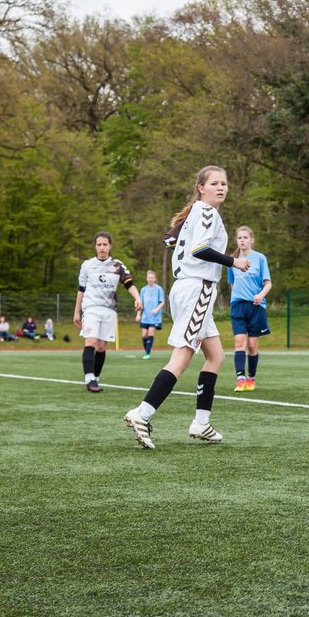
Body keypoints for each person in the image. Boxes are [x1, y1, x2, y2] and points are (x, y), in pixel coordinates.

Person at [124, 166, 251, 450]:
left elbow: (171, 241)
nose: (221, 187)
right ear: (201, 188)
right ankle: (141, 413)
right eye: (215, 183)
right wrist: (234, 262)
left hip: (187, 288)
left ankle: (201, 423)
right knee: (181, 358)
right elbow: (198, 250)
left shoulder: (196, 212)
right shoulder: (206, 212)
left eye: (225, 183)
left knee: (216, 356)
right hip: (197, 289)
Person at [73, 232, 143, 393]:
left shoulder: (118, 265)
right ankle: (89, 378)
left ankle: (95, 378)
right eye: (99, 244)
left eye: (105, 244)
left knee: (102, 347)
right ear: (95, 246)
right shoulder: (87, 265)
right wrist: (77, 312)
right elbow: (81, 290)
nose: (102, 247)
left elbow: (129, 284)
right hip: (91, 308)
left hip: (109, 310)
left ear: (110, 246)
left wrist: (138, 297)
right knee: (90, 342)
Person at [228, 226, 272, 392]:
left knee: (252, 346)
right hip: (238, 307)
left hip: (256, 306)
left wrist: (260, 295)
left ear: (251, 240)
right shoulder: (232, 261)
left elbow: (268, 283)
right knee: (240, 342)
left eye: (245, 237)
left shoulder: (260, 258)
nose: (242, 240)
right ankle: (240, 379)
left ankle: (251, 378)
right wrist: (235, 300)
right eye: (240, 238)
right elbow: (232, 284)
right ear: (237, 240)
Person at [137, 270, 166, 360]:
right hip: (145, 317)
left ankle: (147, 353)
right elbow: (140, 304)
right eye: (149, 278)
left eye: (152, 278)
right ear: (147, 279)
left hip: (155, 317)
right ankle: (146, 351)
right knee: (144, 335)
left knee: (150, 333)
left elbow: (162, 302)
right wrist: (138, 315)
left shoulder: (159, 289)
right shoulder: (143, 290)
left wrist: (156, 309)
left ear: (155, 279)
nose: (150, 279)